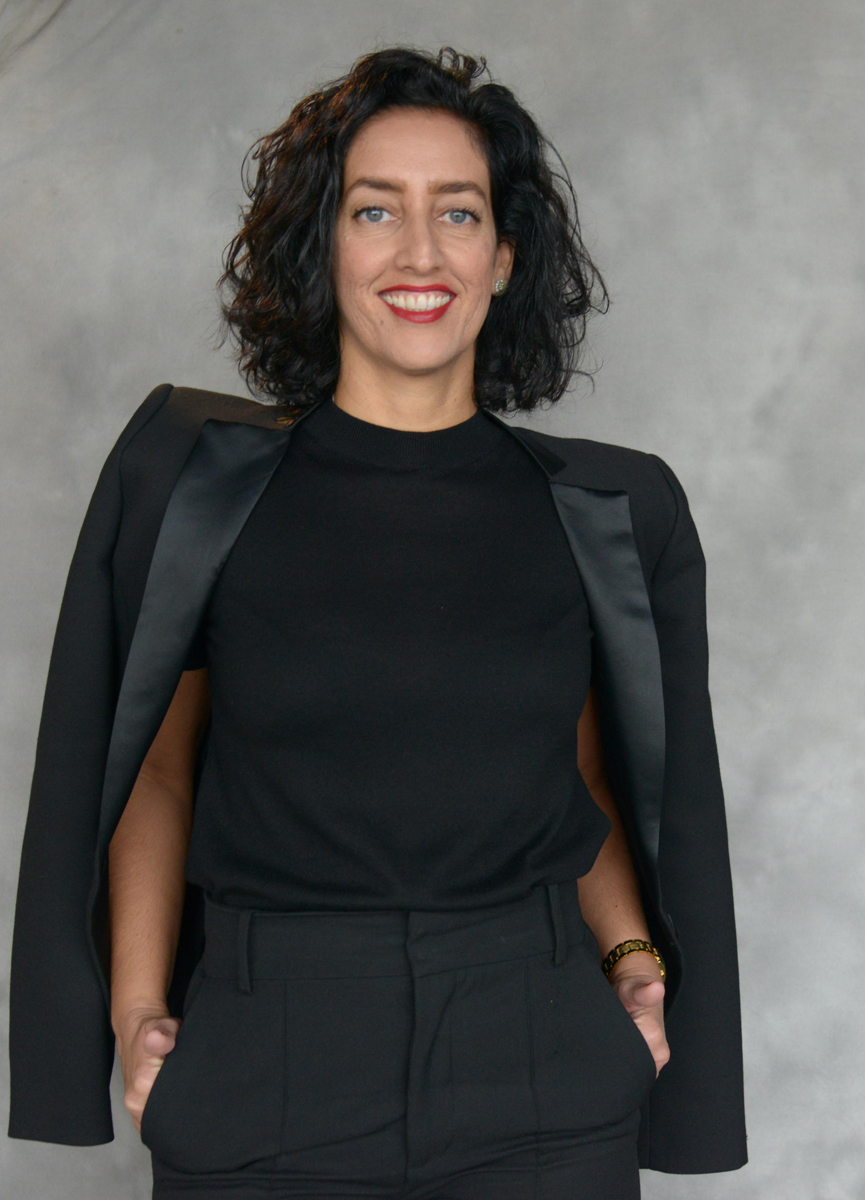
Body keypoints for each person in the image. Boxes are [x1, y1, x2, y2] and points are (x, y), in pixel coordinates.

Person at [7, 45, 747, 1199]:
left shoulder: (606, 512)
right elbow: (157, 771)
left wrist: (634, 959)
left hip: (540, 1070)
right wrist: (139, 1006)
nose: (420, 252)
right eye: (374, 210)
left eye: (457, 212)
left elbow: (587, 782)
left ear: (503, 257)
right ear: (323, 245)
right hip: (269, 1058)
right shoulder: (199, 491)